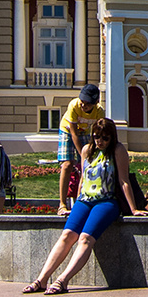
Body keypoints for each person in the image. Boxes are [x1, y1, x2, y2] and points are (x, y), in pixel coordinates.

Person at [23, 118, 148, 295]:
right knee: (67, 235)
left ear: (112, 137)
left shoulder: (118, 150)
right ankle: (41, 279)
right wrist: (74, 203)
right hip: (84, 200)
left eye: (105, 138)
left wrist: (134, 209)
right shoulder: (86, 150)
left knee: (85, 238)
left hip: (106, 201)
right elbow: (83, 179)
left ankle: (63, 280)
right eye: (97, 137)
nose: (100, 141)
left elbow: (124, 180)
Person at [57, 84, 104, 215]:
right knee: (67, 164)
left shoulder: (99, 112)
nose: (83, 105)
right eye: (82, 102)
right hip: (67, 131)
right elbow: (74, 134)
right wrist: (81, 155)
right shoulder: (74, 105)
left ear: (95, 103)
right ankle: (62, 204)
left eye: (87, 103)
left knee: (87, 166)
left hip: (85, 133)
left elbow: (98, 134)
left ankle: (83, 201)